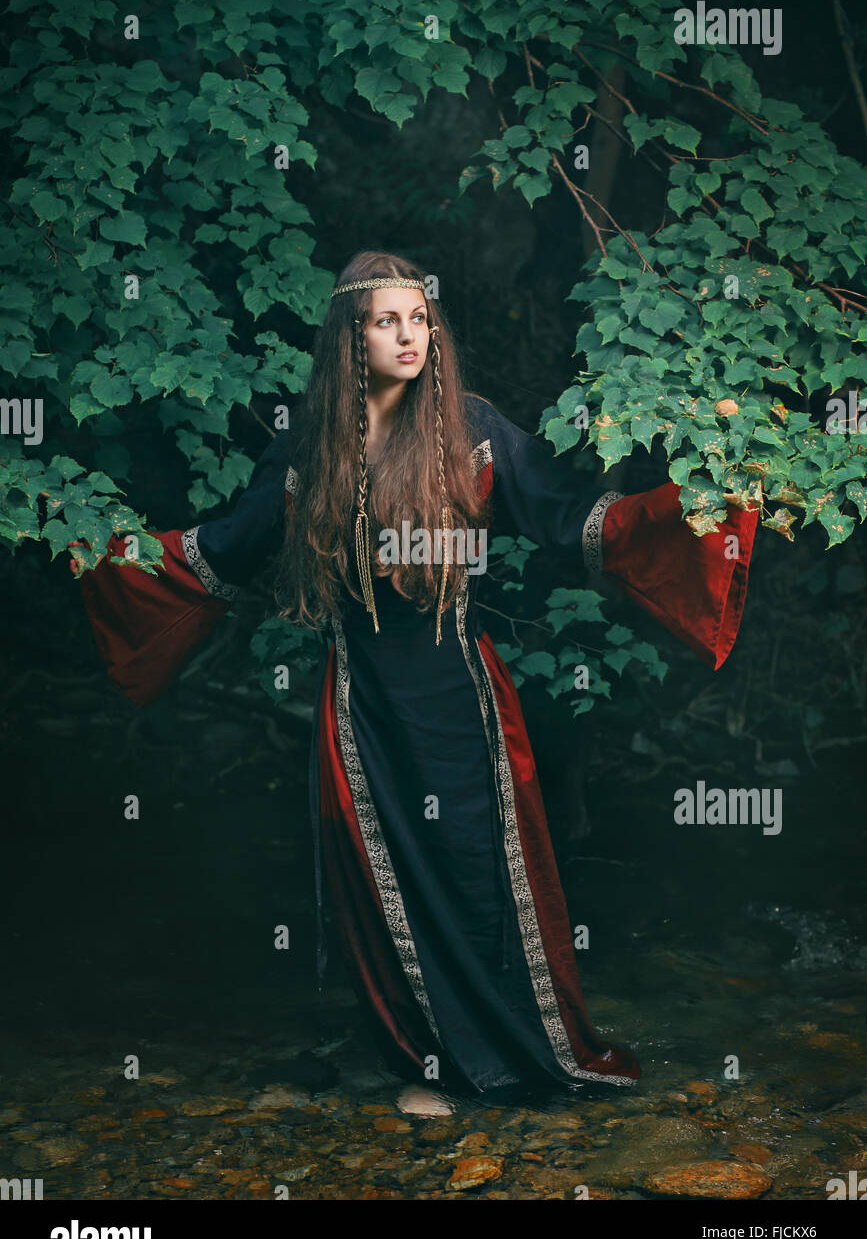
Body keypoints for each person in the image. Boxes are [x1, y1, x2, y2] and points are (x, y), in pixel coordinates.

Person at [73, 250, 759, 1116]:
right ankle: (430, 1063)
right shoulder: (308, 448)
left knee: (485, 874)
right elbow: (223, 550)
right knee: (387, 882)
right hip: (361, 709)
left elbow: (576, 520)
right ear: (350, 340)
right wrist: (103, 548)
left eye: (419, 318)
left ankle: (523, 1057)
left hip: (462, 698)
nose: (409, 334)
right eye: (386, 321)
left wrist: (705, 500)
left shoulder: (472, 429)